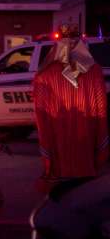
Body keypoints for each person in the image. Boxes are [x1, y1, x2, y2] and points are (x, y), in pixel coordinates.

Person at [33, 24, 108, 193]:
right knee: (85, 182)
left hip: (59, 131)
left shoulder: (44, 74)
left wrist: (46, 135)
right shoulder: (94, 71)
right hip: (86, 131)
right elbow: (101, 107)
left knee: (62, 178)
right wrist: (100, 131)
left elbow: (41, 111)